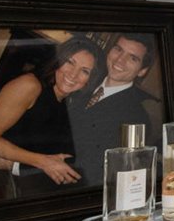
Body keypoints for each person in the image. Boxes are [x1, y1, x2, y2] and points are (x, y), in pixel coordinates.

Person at [0, 36, 101, 199]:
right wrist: (42, 161)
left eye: (85, 71)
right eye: (70, 62)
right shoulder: (30, 85)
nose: (73, 74)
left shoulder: (66, 104)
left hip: (18, 183)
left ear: (90, 80)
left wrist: (14, 164)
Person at [67, 33, 162, 186]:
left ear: (142, 70)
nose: (120, 60)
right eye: (118, 49)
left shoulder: (136, 119)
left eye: (132, 58)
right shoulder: (83, 76)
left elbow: (99, 173)